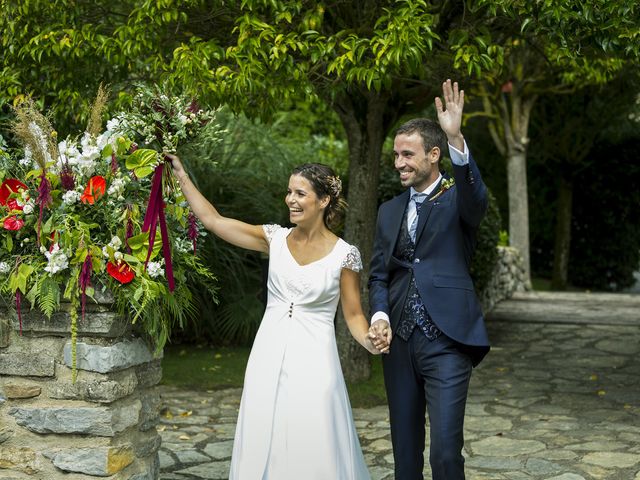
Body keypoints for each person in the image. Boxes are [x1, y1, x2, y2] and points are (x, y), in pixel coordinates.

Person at [166, 155, 387, 479]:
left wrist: (370, 340)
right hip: (267, 357)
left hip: (315, 363)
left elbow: (353, 316)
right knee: (263, 437)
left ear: (324, 200)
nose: (290, 200)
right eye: (289, 192)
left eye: (300, 193)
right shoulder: (274, 239)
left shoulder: (345, 255)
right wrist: (181, 176)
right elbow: (213, 221)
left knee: (313, 441)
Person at [368, 79, 491, 480]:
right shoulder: (388, 210)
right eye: (396, 155)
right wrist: (380, 316)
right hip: (399, 345)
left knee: (444, 455)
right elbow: (378, 275)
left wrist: (456, 136)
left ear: (434, 155)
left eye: (408, 154)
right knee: (405, 459)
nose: (399, 162)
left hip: (447, 341)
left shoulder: (459, 200)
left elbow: (477, 198)